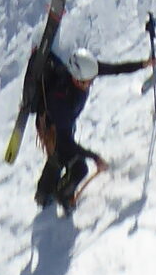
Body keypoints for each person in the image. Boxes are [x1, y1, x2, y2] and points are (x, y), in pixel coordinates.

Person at [29, 36, 146, 211]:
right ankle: (63, 195)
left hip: (62, 123)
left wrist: (143, 64)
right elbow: (67, 143)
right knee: (78, 167)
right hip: (53, 127)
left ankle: (43, 193)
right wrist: (95, 157)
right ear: (76, 79)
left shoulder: (84, 72)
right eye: (88, 81)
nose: (91, 83)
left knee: (59, 156)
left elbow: (114, 69)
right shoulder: (62, 102)